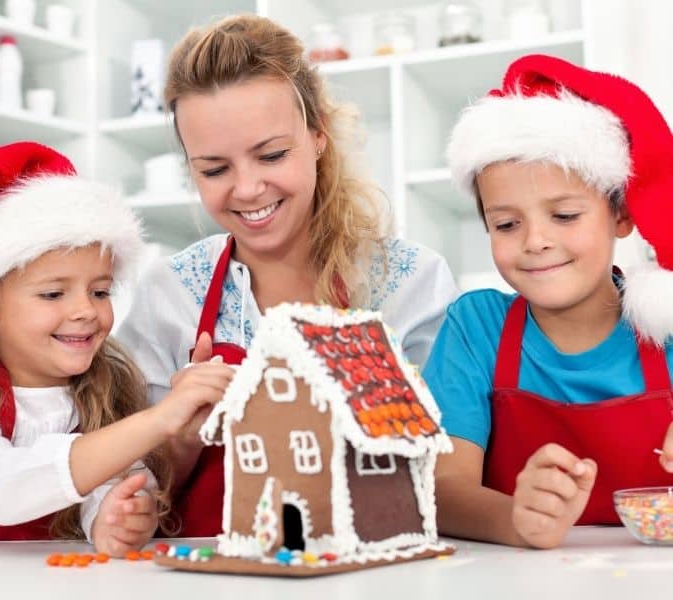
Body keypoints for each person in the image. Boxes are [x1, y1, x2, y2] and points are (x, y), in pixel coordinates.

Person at [116, 14, 458, 537]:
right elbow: (128, 494)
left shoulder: (410, 283)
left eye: (271, 155)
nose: (248, 188)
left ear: (318, 134)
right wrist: (180, 437)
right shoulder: (170, 294)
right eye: (214, 169)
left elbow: (444, 472)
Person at [0, 142, 234, 555]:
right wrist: (158, 421)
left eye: (100, 291)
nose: (86, 310)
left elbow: (110, 479)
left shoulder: (102, 387)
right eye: (53, 294)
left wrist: (115, 514)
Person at [423, 54, 673, 550]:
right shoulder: (477, 329)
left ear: (620, 215)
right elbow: (440, 490)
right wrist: (515, 519)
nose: (535, 241)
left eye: (563, 215)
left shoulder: (665, 324)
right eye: (507, 224)